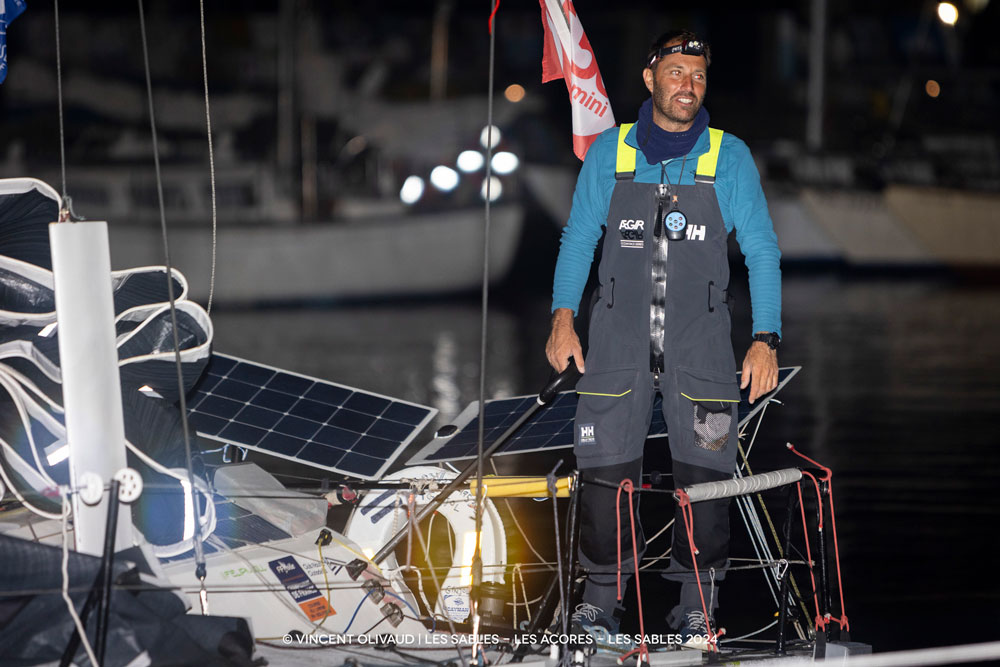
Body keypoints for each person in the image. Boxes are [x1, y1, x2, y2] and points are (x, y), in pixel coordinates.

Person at [545, 30, 782, 650]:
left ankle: (696, 607)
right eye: (676, 71)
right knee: (602, 475)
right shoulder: (611, 152)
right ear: (650, 79)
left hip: (701, 346)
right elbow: (576, 239)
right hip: (615, 343)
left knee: (706, 480)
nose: (688, 85)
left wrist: (765, 339)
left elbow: (761, 252)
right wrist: (563, 318)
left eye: (699, 75)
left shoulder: (728, 157)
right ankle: (599, 605)